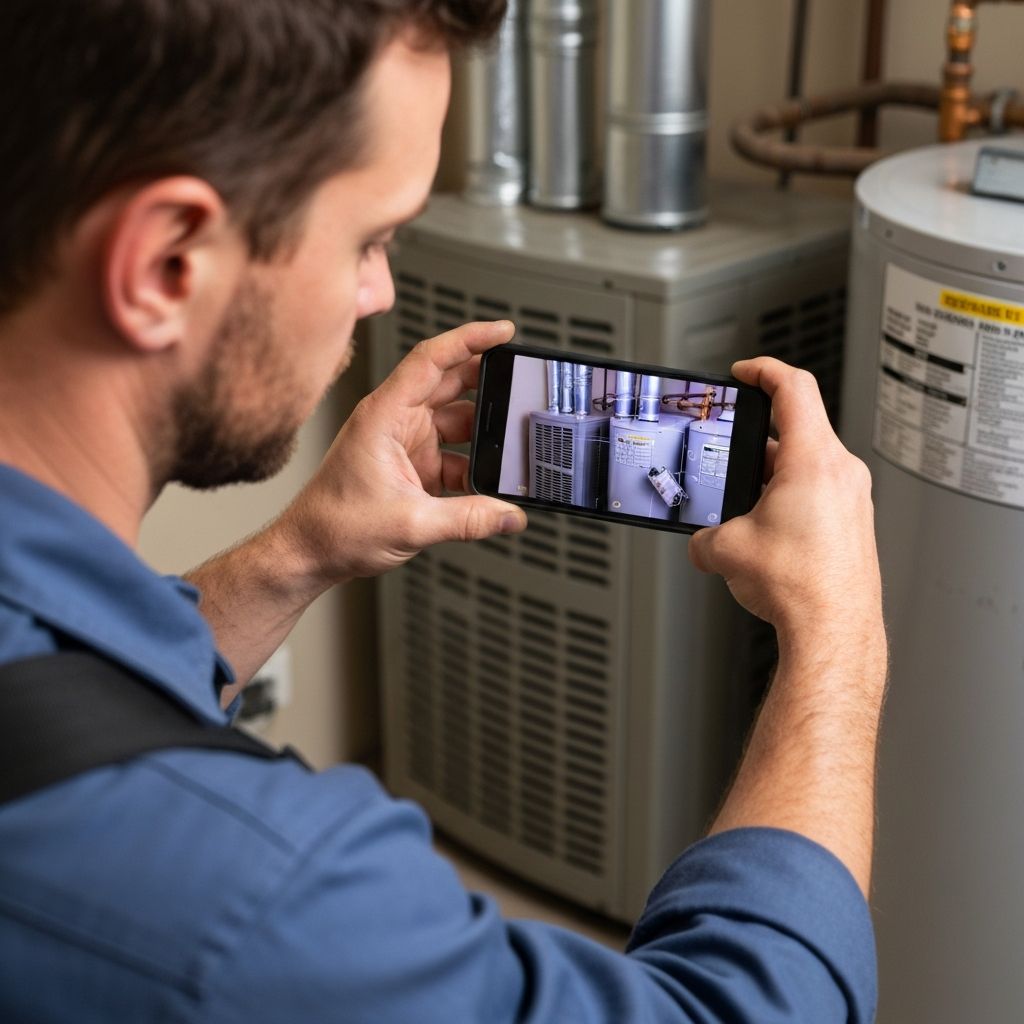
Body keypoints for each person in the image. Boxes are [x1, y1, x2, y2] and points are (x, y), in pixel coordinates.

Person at [0, 2, 887, 1022]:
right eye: (370, 238)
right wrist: (837, 633)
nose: (378, 293)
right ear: (166, 264)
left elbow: (65, 690)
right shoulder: (265, 898)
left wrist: (298, 550)